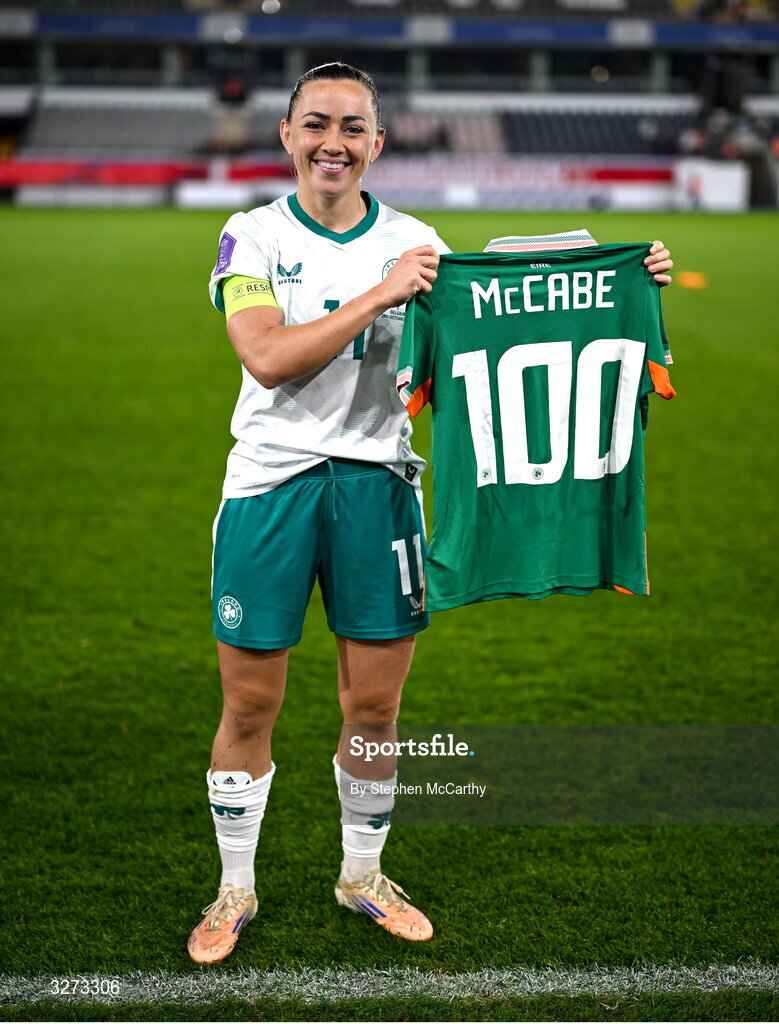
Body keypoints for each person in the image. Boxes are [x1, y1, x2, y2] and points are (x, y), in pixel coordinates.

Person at [187, 61, 674, 965]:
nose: (333, 142)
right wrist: (378, 292)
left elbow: (503, 321)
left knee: (374, 711)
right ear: (288, 136)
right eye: (316, 124)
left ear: (377, 143)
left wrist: (623, 279)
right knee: (249, 705)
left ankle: (361, 875)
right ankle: (235, 887)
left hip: (380, 492)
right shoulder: (249, 236)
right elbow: (264, 358)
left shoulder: (416, 237)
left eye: (352, 128)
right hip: (267, 489)